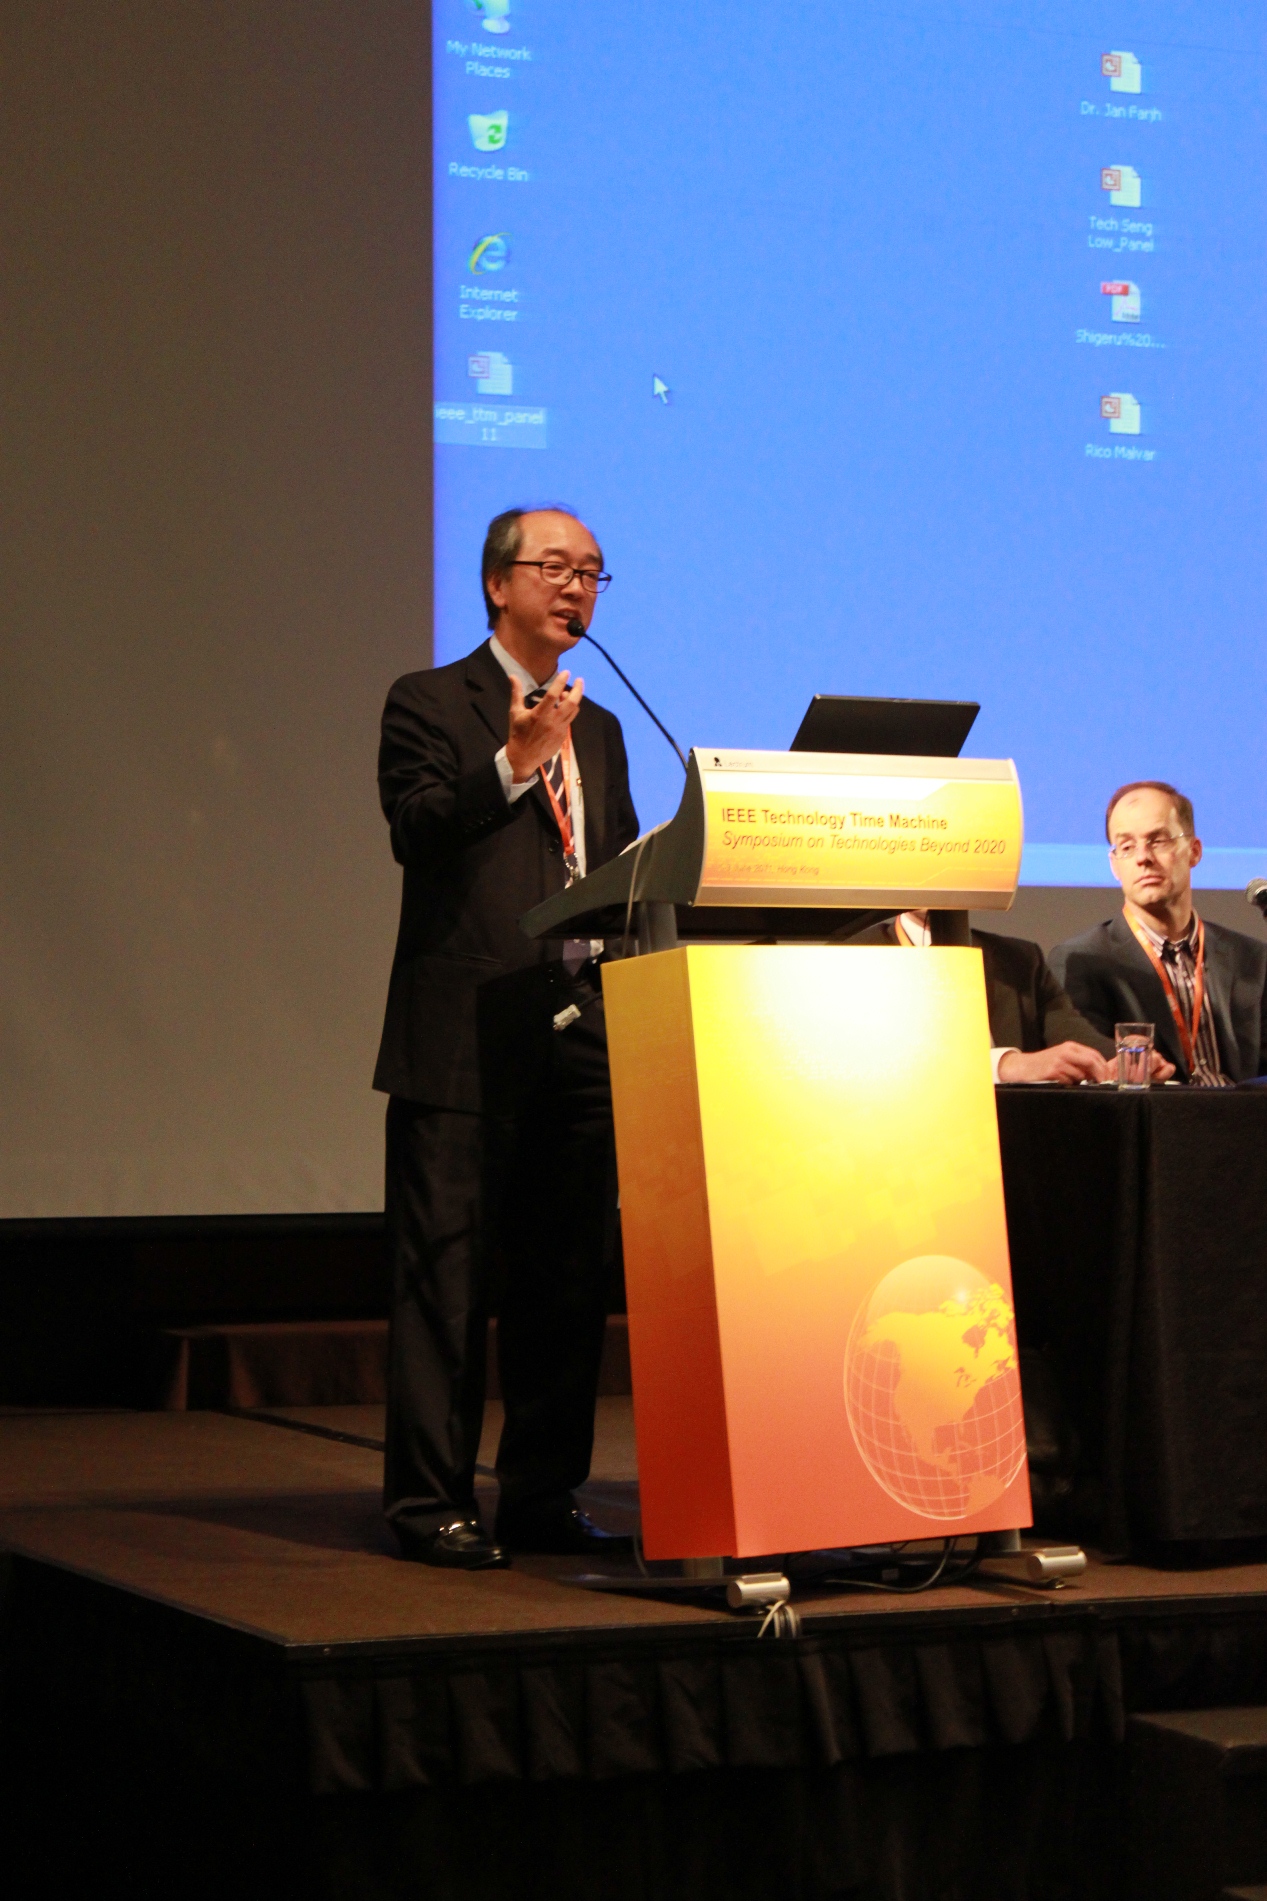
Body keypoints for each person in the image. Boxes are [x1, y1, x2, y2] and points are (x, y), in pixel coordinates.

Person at [373, 506, 639, 1568]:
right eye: (555, 568)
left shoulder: (608, 727)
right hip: (466, 1032)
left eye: (592, 574)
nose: (575, 588)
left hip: (581, 1031)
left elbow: (608, 873)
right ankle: (427, 1504)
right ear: (498, 584)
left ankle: (540, 1491)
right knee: (444, 1276)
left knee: (566, 1277)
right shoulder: (431, 700)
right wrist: (513, 764)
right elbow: (417, 831)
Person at [1050, 781, 1267, 1086]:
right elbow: (1093, 1082)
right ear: (1114, 865)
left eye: (1158, 841)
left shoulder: (1251, 958)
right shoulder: (1083, 962)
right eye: (1126, 847)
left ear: (1194, 851)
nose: (1143, 857)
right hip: (1157, 1125)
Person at [845, 911, 1121, 1082]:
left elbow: (1079, 1041)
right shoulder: (850, 958)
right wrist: (1006, 1066)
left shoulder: (1021, 960)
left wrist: (1128, 1058)